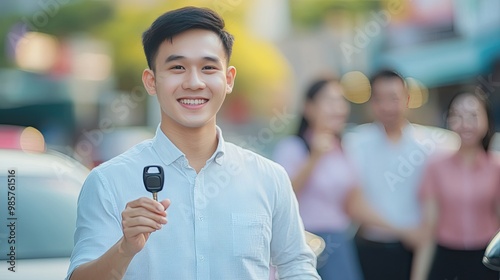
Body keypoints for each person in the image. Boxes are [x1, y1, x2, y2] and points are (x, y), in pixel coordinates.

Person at [66, 6, 320, 280]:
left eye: (208, 68)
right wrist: (125, 248)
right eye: (177, 67)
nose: (194, 82)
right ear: (151, 81)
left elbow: (297, 266)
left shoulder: (269, 178)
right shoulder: (108, 181)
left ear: (228, 79)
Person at [272, 77, 416, 280]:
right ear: (309, 107)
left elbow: (354, 204)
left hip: (339, 243)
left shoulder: (344, 148)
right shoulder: (292, 148)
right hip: (301, 242)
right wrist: (314, 158)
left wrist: (399, 229)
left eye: (341, 101)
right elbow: (280, 199)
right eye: (329, 101)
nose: (338, 108)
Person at [342, 69, 442, 280]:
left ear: (407, 99)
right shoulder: (356, 143)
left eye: (394, 98)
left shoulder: (429, 144)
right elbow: (354, 204)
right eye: (380, 99)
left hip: (417, 252)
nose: (387, 107)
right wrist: (405, 232)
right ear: (371, 103)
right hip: (372, 249)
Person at [412, 91, 500, 280]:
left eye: (473, 115)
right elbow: (429, 227)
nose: (465, 123)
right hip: (447, 259)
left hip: (486, 259)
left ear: (487, 119)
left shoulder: (496, 167)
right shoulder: (435, 166)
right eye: (457, 115)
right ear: (449, 120)